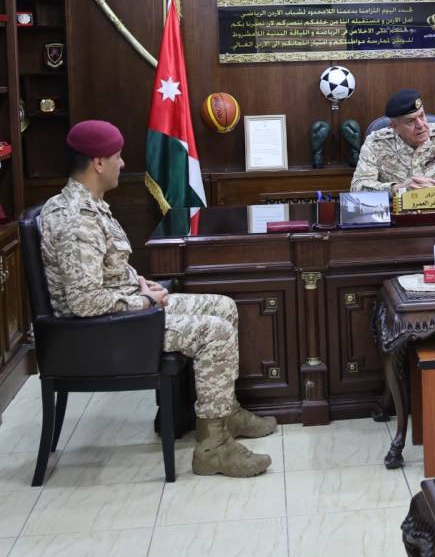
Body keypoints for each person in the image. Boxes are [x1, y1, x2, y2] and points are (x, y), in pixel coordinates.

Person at [40, 120, 275, 478]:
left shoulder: (88, 204)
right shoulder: (76, 219)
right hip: (103, 332)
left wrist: (141, 284)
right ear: (98, 163)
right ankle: (213, 448)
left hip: (121, 313)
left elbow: (106, 271)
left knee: (223, 306)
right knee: (215, 332)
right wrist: (146, 302)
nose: (122, 164)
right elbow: (85, 302)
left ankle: (225, 414)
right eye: (118, 157)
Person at [351, 89, 435, 194]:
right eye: (410, 121)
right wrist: (397, 189)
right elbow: (358, 188)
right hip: (396, 212)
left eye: (422, 115)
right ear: (394, 127)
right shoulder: (375, 143)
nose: (421, 125)